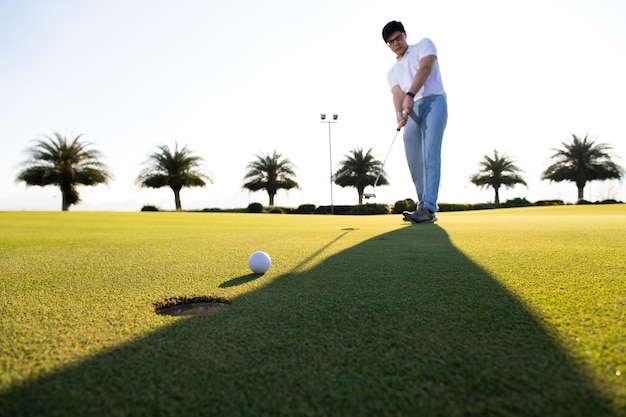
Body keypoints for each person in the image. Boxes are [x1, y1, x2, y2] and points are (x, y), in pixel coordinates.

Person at [382, 20, 448, 223]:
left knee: (430, 155)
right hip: (411, 112)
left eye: (398, 38)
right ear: (388, 45)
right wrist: (398, 113)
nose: (396, 43)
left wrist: (410, 94)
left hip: (434, 102)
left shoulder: (424, 45)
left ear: (405, 34)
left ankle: (429, 207)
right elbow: (397, 93)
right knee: (414, 160)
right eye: (391, 42)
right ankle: (422, 205)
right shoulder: (392, 72)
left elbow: (425, 68)